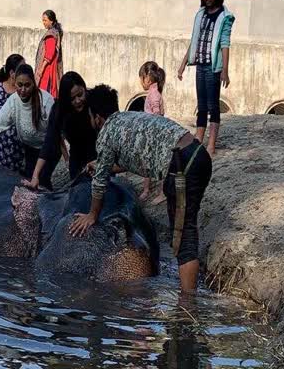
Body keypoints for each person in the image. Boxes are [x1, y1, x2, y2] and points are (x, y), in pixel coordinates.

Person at [68, 85, 212, 293]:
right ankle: (189, 293)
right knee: (186, 227)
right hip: (197, 155)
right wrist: (102, 165)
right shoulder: (129, 118)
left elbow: (99, 183)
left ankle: (187, 305)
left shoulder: (106, 132)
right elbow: (139, 158)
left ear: (96, 117)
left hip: (181, 167)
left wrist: (92, 215)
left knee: (183, 237)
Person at [177, 0, 234, 157]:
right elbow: (194, 40)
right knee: (201, 104)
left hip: (212, 67)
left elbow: (225, 44)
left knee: (212, 105)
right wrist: (184, 63)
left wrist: (224, 69)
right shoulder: (200, 14)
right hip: (200, 65)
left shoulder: (224, 17)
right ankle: (199, 138)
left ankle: (211, 142)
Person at [0, 64, 54, 181]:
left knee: (41, 178)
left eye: (27, 85)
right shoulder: (13, 101)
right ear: (15, 84)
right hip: (30, 147)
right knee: (30, 179)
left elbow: (55, 133)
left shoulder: (46, 101)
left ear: (34, 84)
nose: (23, 90)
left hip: (47, 147)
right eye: (20, 85)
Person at [22, 71, 98, 190]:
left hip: (99, 156)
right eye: (72, 98)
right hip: (77, 161)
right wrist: (35, 175)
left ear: (84, 88)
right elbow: (48, 142)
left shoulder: (94, 100)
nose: (78, 101)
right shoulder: (59, 110)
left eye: (80, 95)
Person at [138, 61, 166, 202]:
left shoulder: (154, 95)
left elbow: (156, 116)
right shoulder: (153, 93)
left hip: (155, 135)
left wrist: (153, 133)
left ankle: (161, 192)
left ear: (147, 78)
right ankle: (147, 189)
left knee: (157, 164)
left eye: (141, 78)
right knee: (147, 163)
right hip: (151, 134)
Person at [35, 10, 63, 98]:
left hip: (48, 69)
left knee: (45, 92)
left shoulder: (51, 35)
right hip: (49, 67)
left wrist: (41, 69)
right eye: (43, 20)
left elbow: (49, 55)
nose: (43, 22)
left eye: (45, 20)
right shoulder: (54, 32)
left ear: (51, 21)